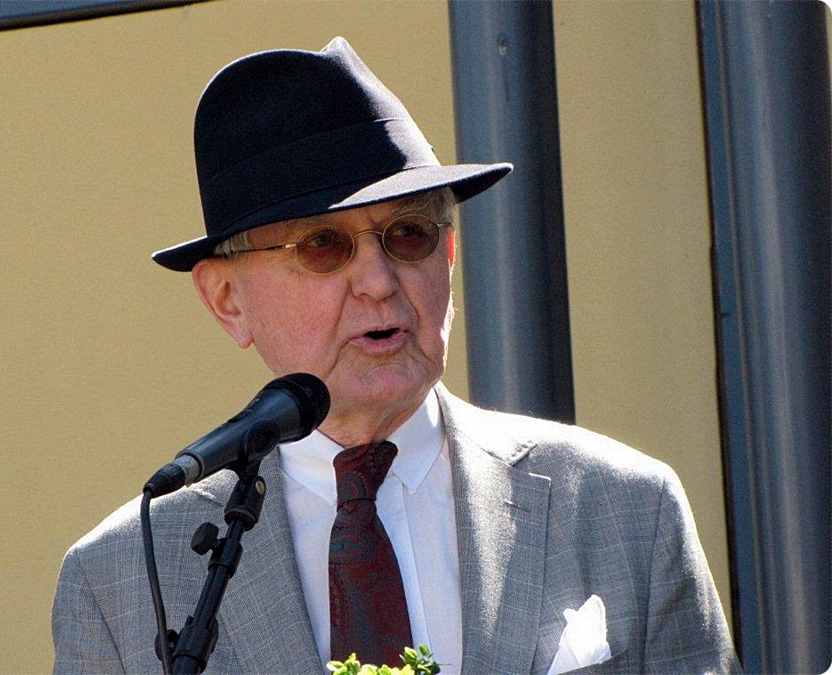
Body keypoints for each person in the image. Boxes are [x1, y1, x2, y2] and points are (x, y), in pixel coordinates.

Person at [51, 37, 741, 674]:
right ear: (228, 299)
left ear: (449, 254)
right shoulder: (120, 581)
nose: (379, 281)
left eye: (408, 234)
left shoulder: (625, 509)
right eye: (323, 245)